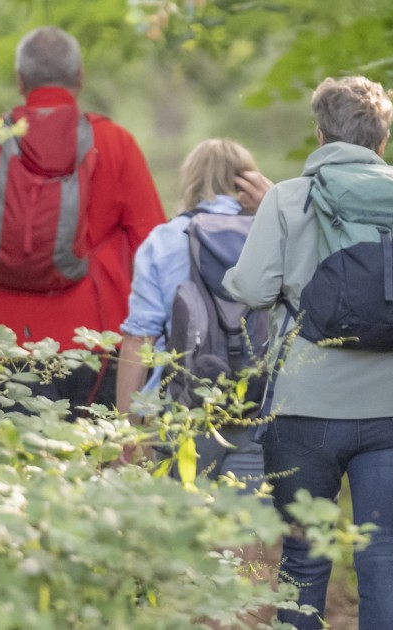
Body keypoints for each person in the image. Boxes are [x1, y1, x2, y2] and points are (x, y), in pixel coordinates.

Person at [222, 76, 393, 630]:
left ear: (320, 135)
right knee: (383, 555)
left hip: (305, 407)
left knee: (304, 559)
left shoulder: (289, 198)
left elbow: (250, 288)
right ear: (383, 140)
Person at [0, 26, 166, 417]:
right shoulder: (115, 143)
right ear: (80, 77)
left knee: (14, 470)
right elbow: (155, 248)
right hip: (98, 343)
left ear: (20, 79)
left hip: (0, 342)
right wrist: (157, 339)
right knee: (96, 468)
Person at [115, 138, 268, 484]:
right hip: (257, 406)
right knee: (253, 529)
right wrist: (274, 206)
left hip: (180, 407)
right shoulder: (270, 233)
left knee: (184, 526)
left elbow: (139, 338)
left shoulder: (163, 240)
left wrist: (128, 425)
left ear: (191, 181)